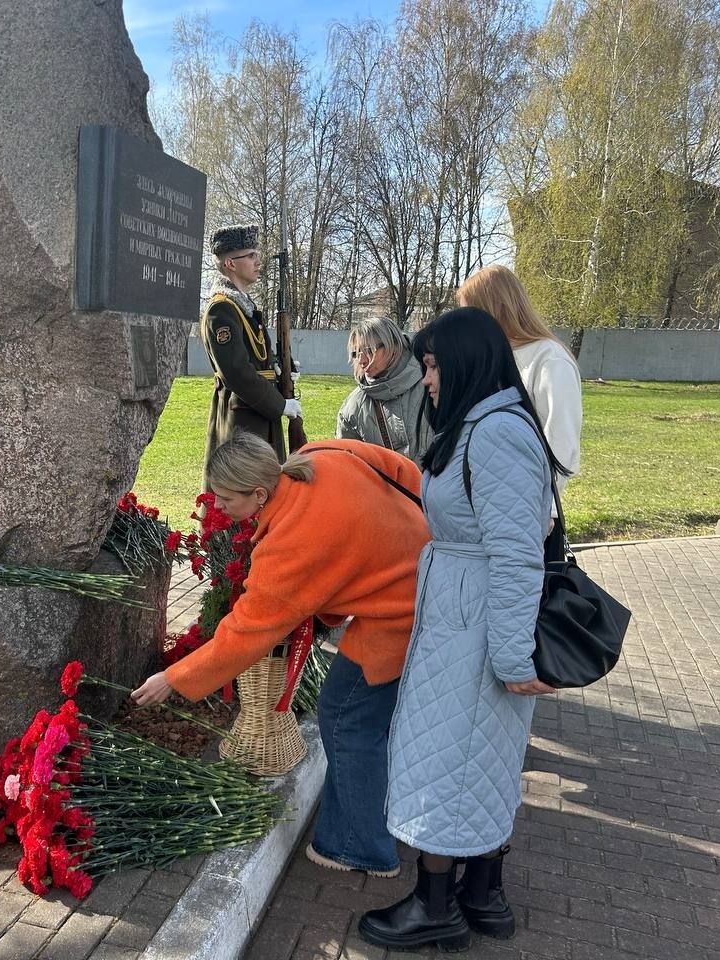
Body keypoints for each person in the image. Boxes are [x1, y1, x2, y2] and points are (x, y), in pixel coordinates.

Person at [132, 433, 431, 879]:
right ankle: (372, 820)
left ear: (258, 493)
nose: (219, 508)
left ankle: (360, 846)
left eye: (227, 499)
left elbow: (245, 631)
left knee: (347, 717)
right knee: (362, 718)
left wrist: (173, 678)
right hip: (429, 569)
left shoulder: (291, 542)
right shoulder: (318, 455)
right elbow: (406, 473)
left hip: (401, 611)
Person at [360, 307, 565, 954]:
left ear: (468, 362)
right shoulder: (485, 424)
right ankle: (483, 895)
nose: (425, 379)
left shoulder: (498, 433)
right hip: (467, 622)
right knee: (477, 762)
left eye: (432, 365)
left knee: (450, 764)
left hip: (477, 630)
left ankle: (437, 905)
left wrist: (510, 656)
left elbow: (515, 554)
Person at [455, 264, 581, 496]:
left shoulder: (549, 358)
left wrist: (547, 506)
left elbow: (562, 438)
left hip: (528, 499)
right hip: (490, 491)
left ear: (496, 309)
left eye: (472, 314)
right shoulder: (495, 356)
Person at [200, 224, 303, 487]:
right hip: (242, 418)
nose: (258, 261)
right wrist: (279, 405)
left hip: (258, 412)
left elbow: (257, 360)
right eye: (251, 256)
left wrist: (281, 369)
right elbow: (237, 372)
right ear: (231, 264)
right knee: (241, 488)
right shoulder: (221, 310)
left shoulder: (242, 307)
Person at [336, 315, 430, 462]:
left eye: (368, 351)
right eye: (356, 353)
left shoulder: (433, 384)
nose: (361, 361)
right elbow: (347, 465)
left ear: (392, 345)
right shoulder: (352, 407)